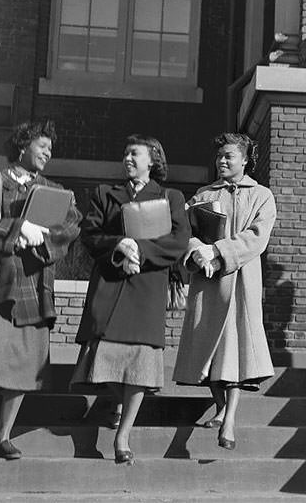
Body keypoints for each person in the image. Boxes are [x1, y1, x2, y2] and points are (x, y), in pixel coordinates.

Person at [0, 119, 80, 460]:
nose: (47, 154)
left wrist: (46, 237)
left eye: (50, 150)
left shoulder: (55, 191)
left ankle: (3, 437)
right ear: (23, 145)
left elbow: (72, 225)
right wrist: (18, 228)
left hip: (32, 282)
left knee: (25, 361)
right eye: (42, 147)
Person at [71, 134, 189, 465]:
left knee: (139, 366)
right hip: (110, 284)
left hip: (146, 288)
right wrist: (119, 244)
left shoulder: (171, 197)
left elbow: (179, 241)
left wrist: (144, 249)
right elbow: (90, 234)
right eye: (125, 153)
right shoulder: (104, 194)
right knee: (102, 360)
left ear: (153, 160)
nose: (128, 158)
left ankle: (122, 435)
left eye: (134, 153)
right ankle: (118, 402)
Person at [173, 133, 276, 451]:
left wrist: (216, 251)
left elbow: (256, 237)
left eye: (229, 156)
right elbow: (184, 229)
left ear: (245, 159)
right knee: (209, 348)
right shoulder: (204, 194)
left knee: (236, 348)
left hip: (240, 280)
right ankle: (219, 408)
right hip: (208, 282)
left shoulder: (261, 196)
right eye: (219, 156)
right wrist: (195, 250)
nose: (222, 161)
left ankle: (229, 419)